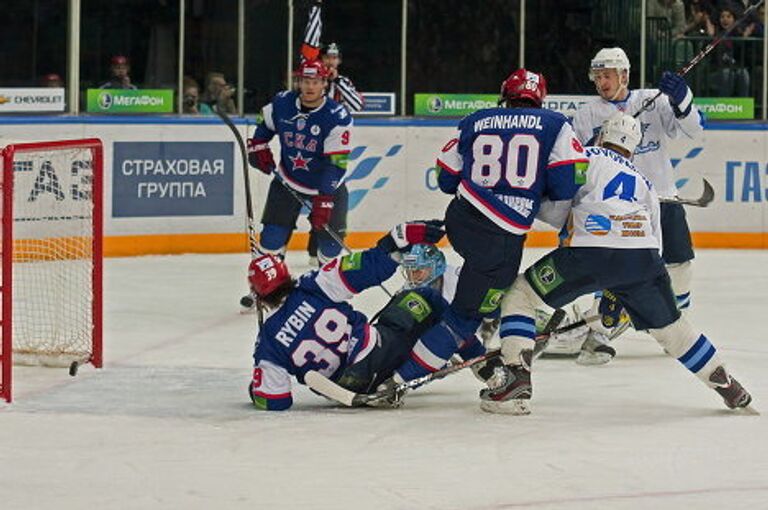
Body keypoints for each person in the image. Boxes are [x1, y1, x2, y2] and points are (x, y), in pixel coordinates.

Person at [482, 113, 753, 415]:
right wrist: (618, 290)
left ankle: (516, 379)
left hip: (588, 254)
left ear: (600, 136)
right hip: (642, 260)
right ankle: (728, 384)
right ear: (633, 149)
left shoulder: (584, 156)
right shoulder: (645, 182)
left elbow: (557, 207)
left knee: (521, 295)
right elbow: (656, 244)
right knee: (672, 328)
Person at [384, 69, 588, 390]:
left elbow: (446, 178)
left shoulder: (476, 120)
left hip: (461, 219)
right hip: (500, 241)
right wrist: (533, 185)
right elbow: (566, 184)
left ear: (505, 95)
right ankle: (395, 382)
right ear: (539, 99)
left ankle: (488, 319)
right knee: (463, 318)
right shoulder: (555, 125)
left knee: (479, 294)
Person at [571, 47, 704, 357]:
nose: (601, 82)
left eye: (607, 76)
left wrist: (683, 100)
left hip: (660, 196)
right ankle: (600, 327)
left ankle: (677, 320)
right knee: (610, 267)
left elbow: (694, 129)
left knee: (680, 265)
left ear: (624, 75)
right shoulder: (586, 114)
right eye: (597, 77)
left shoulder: (652, 101)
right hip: (615, 205)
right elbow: (575, 158)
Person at [247, 221, 446, 410]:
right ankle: (465, 346)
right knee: (424, 297)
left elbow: (276, 402)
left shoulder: (268, 342)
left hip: (346, 387)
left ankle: (398, 377)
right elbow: (369, 268)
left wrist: (257, 392)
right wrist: (393, 242)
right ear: (286, 273)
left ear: (258, 296)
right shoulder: (312, 285)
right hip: (379, 353)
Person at [247, 59, 353, 269]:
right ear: (298, 82)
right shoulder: (282, 103)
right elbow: (264, 129)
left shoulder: (337, 116)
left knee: (331, 246)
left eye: (315, 81)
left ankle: (327, 290)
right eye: (305, 80)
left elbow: (336, 165)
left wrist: (324, 199)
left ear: (324, 83)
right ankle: (267, 290)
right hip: (288, 180)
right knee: (271, 238)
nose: (310, 86)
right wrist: (258, 147)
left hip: (328, 187)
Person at [300, 1, 364, 267]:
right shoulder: (312, 78)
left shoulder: (342, 82)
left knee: (332, 196)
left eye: (335, 58)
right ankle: (313, 237)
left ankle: (322, 242)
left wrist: (337, 80)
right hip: (308, 146)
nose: (331, 61)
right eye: (328, 57)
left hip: (334, 148)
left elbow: (357, 104)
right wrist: (315, 10)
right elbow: (309, 45)